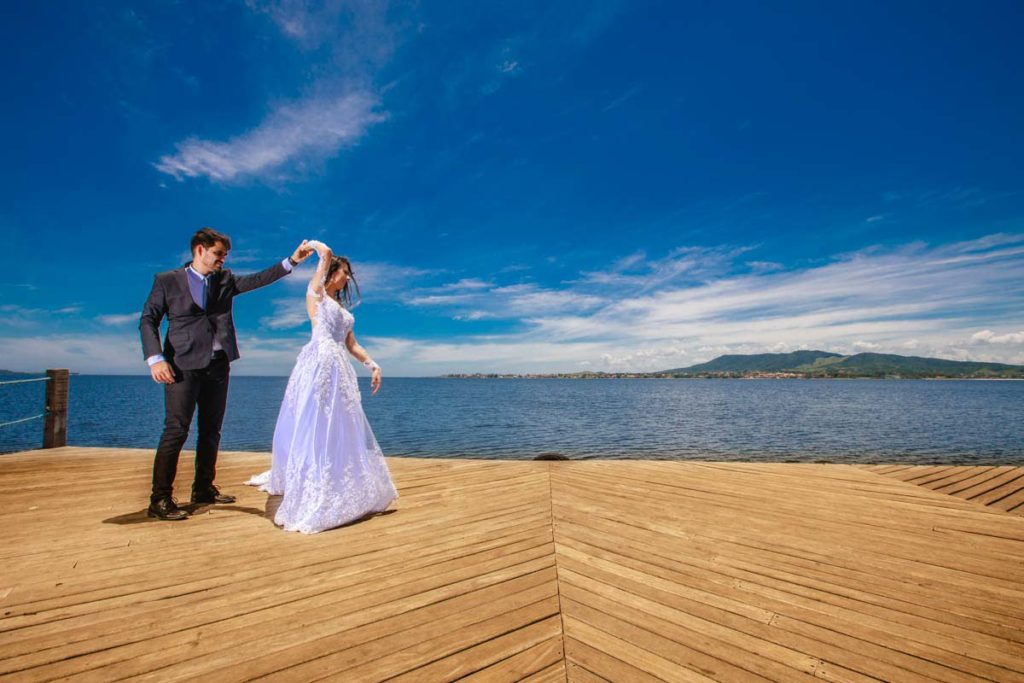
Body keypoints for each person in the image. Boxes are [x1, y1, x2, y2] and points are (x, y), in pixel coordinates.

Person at [140, 228, 314, 521]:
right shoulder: (167, 281)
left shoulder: (225, 280)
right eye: (218, 253)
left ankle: (203, 488)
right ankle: (160, 499)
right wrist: (156, 359)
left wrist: (292, 260)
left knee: (211, 431)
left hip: (218, 365)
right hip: (181, 365)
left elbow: (260, 279)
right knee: (176, 430)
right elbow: (148, 320)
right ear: (199, 250)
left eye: (224, 255)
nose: (222, 260)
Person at [247, 240, 398, 533]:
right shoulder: (315, 294)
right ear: (331, 273)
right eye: (344, 272)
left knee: (341, 423)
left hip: (339, 367)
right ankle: (315, 481)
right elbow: (326, 254)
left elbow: (351, 343)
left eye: (347, 274)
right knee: (316, 421)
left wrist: (372, 364)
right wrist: (309, 247)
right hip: (318, 363)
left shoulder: (341, 308)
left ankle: (339, 476)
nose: (347, 277)